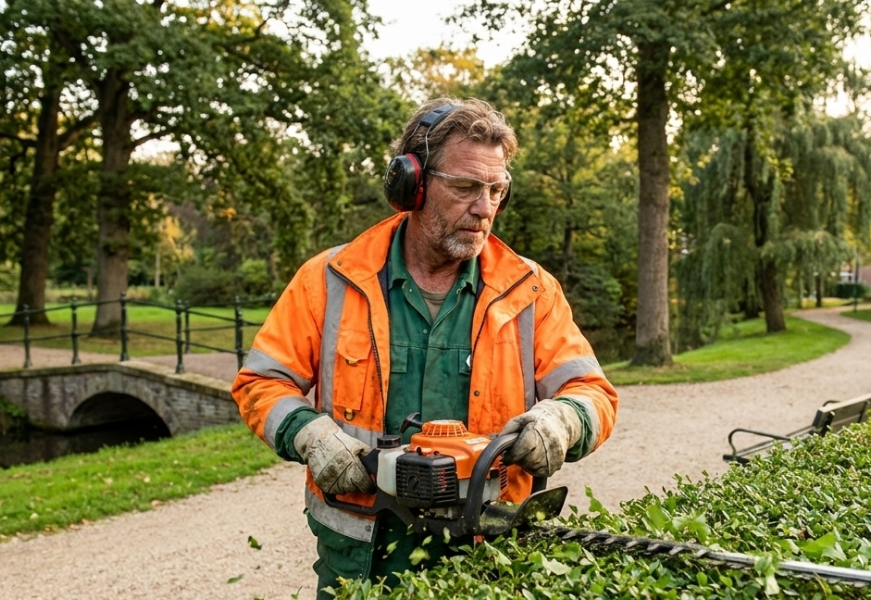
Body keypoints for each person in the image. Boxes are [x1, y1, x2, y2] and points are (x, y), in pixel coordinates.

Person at [231, 97, 619, 597]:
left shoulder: (532, 291)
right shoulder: (328, 281)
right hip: (362, 553)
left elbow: (592, 391)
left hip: (491, 551)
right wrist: (309, 435)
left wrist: (563, 420)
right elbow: (262, 381)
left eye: (496, 190)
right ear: (410, 184)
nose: (484, 209)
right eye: (464, 188)